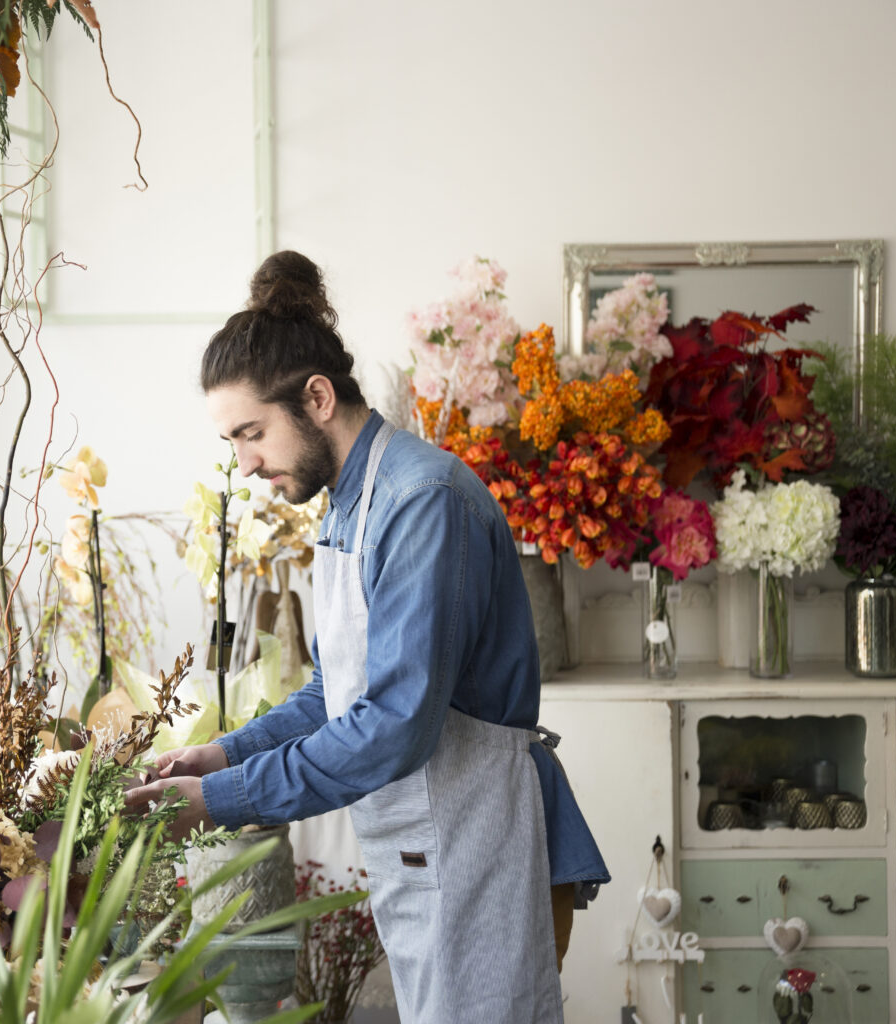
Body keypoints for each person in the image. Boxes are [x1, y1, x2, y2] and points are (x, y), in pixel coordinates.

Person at [125, 251, 608, 1023]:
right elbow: (336, 691)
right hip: (426, 850)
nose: (245, 464)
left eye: (251, 433)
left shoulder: (422, 501)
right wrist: (225, 754)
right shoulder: (348, 504)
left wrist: (216, 799)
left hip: (472, 843)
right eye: (233, 444)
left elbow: (395, 724)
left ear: (316, 397)